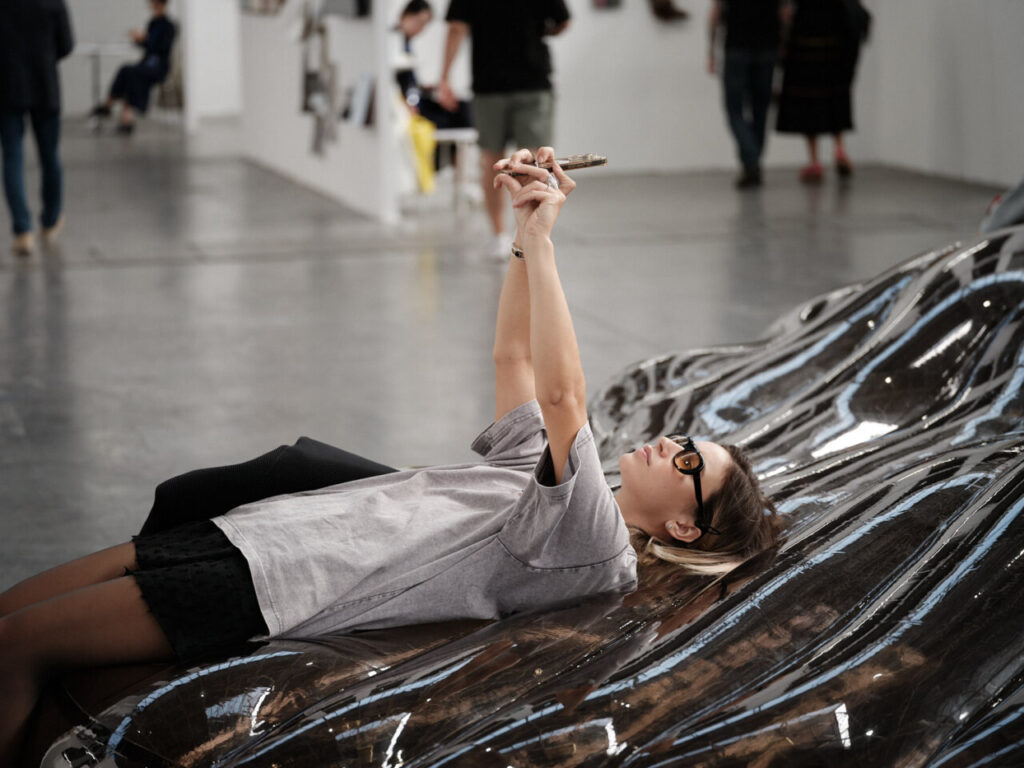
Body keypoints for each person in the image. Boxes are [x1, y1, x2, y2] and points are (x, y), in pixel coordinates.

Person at [0, 146, 780, 762]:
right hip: (261, 534)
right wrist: (520, 233)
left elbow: (564, 399)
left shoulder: (594, 546)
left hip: (272, 585)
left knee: (18, 645)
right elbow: (514, 359)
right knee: (11, 622)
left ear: (686, 529)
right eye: (685, 440)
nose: (669, 445)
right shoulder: (549, 484)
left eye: (688, 465)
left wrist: (545, 241)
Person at [436, 0, 571, 259]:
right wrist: (536, 31)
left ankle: (500, 235)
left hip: (490, 82)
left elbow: (456, 28)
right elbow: (562, 21)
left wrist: (444, 77)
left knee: (493, 160)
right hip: (531, 80)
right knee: (534, 161)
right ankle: (532, 234)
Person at [0, 0, 75, 257]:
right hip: (45, 86)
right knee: (50, 155)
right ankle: (50, 220)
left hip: (8, 86)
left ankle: (22, 230)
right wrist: (43, 56)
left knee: (12, 156)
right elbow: (66, 45)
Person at [775, 0, 867, 184]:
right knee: (834, 98)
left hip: (804, 46)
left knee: (808, 102)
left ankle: (814, 160)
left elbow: (786, 12)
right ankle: (839, 148)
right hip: (834, 46)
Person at [707, 0, 786, 189]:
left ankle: (751, 161)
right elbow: (784, 14)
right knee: (760, 109)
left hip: (737, 48)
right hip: (767, 47)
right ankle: (753, 161)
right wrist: (783, 45)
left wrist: (711, 50)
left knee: (735, 110)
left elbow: (715, 14)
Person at [394, 0, 473, 171]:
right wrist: (412, 101)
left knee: (461, 107)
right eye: (420, 22)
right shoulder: (393, 43)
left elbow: (409, 84)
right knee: (455, 116)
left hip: (415, 97)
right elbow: (399, 84)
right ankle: (446, 167)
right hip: (407, 104)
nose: (421, 28)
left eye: (425, 24)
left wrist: (430, 90)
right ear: (406, 15)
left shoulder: (406, 44)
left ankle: (455, 168)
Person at [90, 0, 176, 135]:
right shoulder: (153, 23)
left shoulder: (169, 26)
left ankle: (111, 106)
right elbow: (147, 46)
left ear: (163, 5)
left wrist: (144, 39)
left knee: (132, 73)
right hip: (146, 64)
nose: (153, 7)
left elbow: (161, 48)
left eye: (155, 5)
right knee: (126, 71)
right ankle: (120, 114)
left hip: (159, 67)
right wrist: (138, 40)